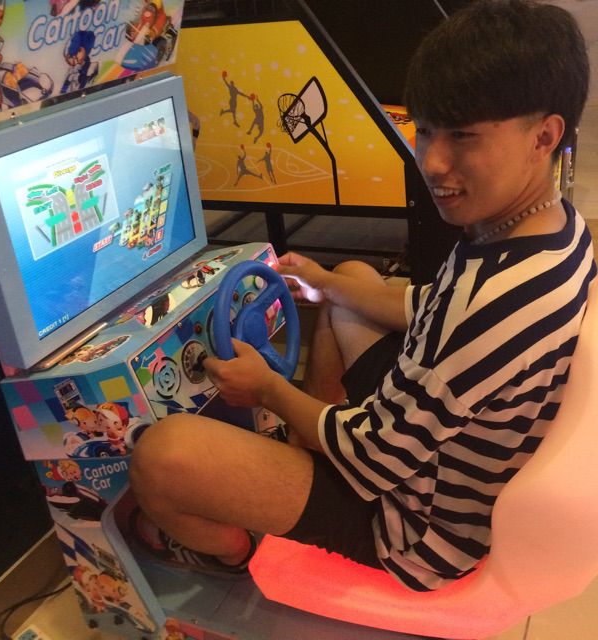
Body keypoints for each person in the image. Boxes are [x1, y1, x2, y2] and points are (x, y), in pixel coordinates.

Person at [129, 0, 595, 591]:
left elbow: (373, 458)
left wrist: (266, 388)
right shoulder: (554, 228)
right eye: (425, 130)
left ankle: (231, 552)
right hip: (436, 450)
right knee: (351, 277)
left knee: (161, 454)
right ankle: (308, 434)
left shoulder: (492, 304)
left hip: (416, 528)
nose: (432, 162)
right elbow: (428, 307)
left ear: (544, 136)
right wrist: (325, 283)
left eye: (463, 136)